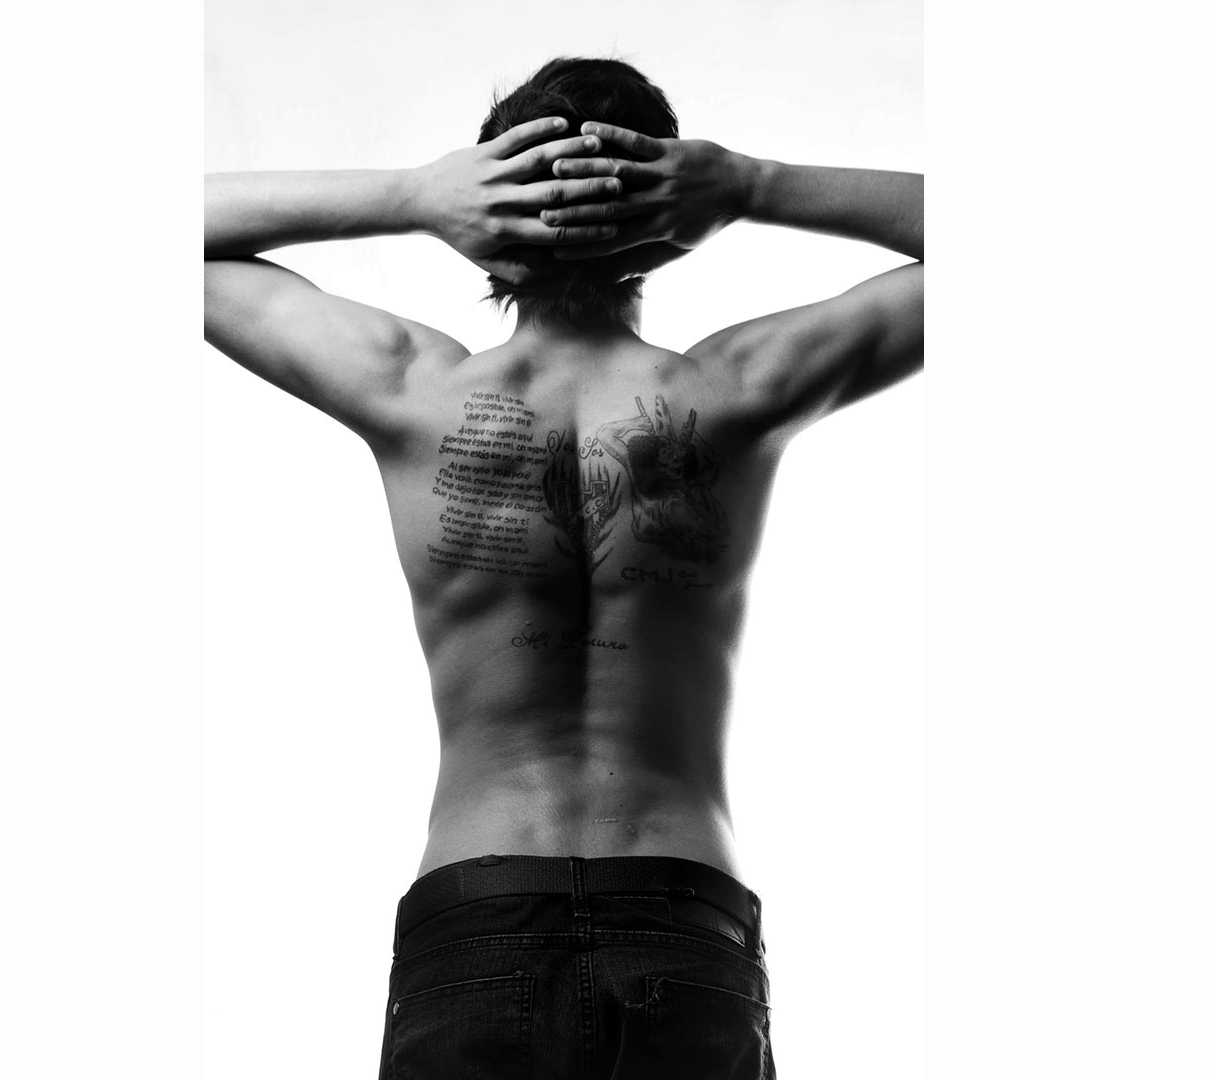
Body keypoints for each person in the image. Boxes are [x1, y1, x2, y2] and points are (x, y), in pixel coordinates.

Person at [204, 57, 920, 1079]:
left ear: (490, 208)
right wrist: (749, 185)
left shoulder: (406, 387)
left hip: (476, 922)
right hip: (682, 922)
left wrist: (414, 197)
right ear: (666, 223)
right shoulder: (741, 390)